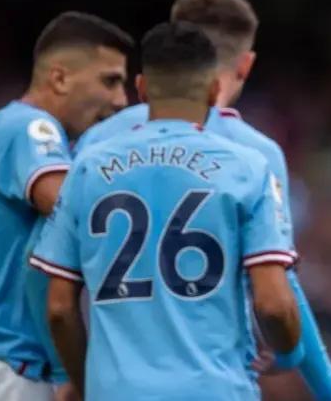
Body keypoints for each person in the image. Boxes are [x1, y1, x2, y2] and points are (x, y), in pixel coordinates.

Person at [76, 0, 331, 400]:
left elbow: (53, 284)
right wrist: (318, 380)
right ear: (246, 64)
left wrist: (66, 374)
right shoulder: (254, 154)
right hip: (212, 383)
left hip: (112, 384)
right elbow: (279, 293)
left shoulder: (96, 146)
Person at [30, 21, 301, 400]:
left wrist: (87, 383)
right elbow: (273, 306)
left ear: (141, 89)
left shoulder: (88, 167)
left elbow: (59, 309)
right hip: (214, 390)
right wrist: (288, 345)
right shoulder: (248, 167)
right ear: (213, 90)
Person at [0, 12, 133, 401]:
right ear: (60, 78)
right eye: (110, 81)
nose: (121, 100)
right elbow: (77, 214)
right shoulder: (32, 128)